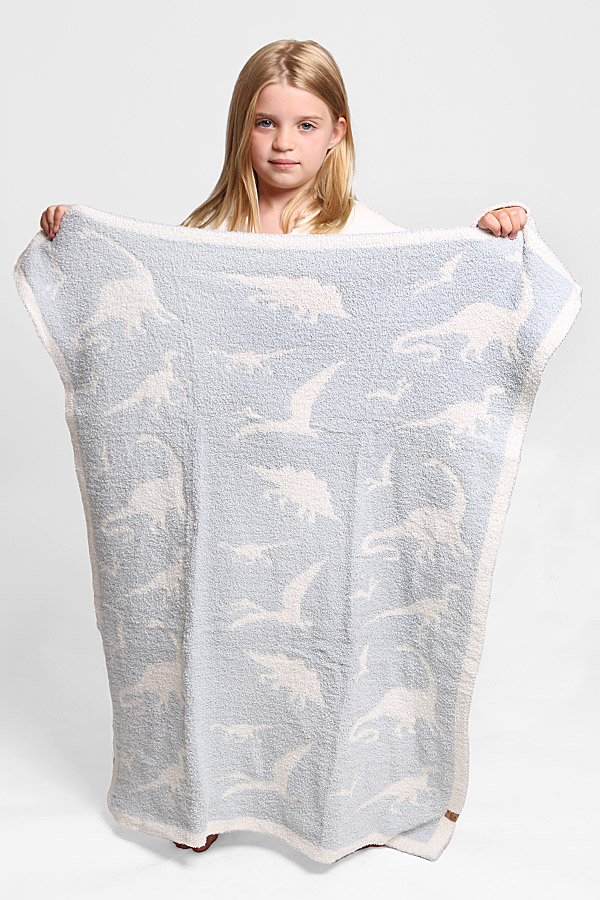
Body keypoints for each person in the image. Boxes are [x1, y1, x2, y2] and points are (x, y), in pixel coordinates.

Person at [37, 38, 529, 856]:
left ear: (338, 131)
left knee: (328, 642)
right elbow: (157, 328)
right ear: (242, 128)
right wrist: (79, 242)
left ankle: (352, 801)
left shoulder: (366, 238)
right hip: (226, 493)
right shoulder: (208, 239)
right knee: (212, 633)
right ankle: (200, 795)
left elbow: (418, 316)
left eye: (305, 125)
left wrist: (490, 244)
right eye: (265, 123)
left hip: (329, 498)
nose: (283, 144)